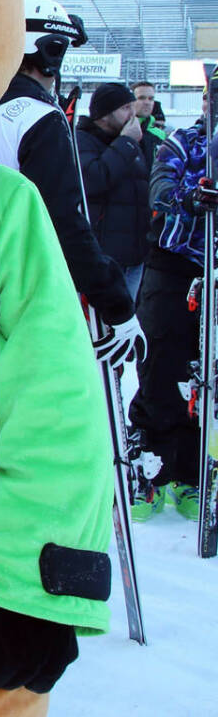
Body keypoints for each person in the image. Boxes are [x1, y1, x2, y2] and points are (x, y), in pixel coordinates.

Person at [0, 0, 142, 363]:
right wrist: (115, 302)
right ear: (49, 50)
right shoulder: (37, 117)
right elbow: (63, 220)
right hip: (26, 288)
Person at [126, 78, 217, 522]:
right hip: (173, 267)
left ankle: (191, 472)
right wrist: (192, 198)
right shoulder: (183, 143)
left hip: (213, 274)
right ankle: (149, 468)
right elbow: (160, 188)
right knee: (161, 366)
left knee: (205, 377)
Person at [75, 83, 150, 302]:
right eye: (125, 108)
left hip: (135, 251)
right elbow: (95, 179)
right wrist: (126, 142)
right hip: (107, 253)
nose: (132, 114)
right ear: (104, 115)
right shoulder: (83, 139)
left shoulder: (131, 141)